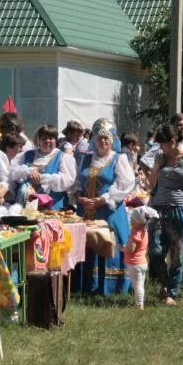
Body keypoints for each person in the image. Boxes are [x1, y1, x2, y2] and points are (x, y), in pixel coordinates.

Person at [73, 118, 135, 295]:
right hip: (85, 210)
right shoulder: (86, 159)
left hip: (109, 211)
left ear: (113, 139)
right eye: (100, 138)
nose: (103, 141)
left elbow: (126, 183)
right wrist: (80, 198)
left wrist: (103, 199)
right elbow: (77, 182)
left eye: (107, 138)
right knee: (87, 246)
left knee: (109, 245)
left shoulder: (119, 158)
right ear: (93, 139)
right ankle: (86, 286)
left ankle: (110, 288)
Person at [147, 124, 183, 305]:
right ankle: (164, 284)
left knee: (177, 253)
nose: (160, 148)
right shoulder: (159, 157)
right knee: (155, 251)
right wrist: (157, 166)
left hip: (178, 209)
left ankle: (172, 293)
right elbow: (151, 184)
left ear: (172, 142)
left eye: (162, 144)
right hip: (158, 209)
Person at [10, 125, 76, 211]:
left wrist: (42, 178)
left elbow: (67, 181)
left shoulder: (63, 157)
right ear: (38, 140)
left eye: (51, 138)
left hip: (53, 208)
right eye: (44, 138)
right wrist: (28, 173)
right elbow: (12, 172)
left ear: (56, 140)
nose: (47, 141)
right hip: (26, 206)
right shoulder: (26, 155)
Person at [123, 206, 158, 309]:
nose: (130, 220)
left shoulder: (135, 233)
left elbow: (131, 249)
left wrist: (121, 248)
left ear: (137, 221)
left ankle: (139, 305)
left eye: (132, 219)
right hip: (142, 262)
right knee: (140, 285)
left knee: (137, 285)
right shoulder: (144, 231)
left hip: (135, 264)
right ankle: (139, 304)